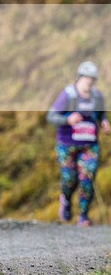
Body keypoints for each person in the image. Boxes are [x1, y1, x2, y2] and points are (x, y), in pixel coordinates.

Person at [46, 61, 109, 227]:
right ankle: (66, 200)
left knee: (87, 178)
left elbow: (102, 115)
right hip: (67, 145)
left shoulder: (97, 96)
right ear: (79, 77)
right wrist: (68, 119)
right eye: (87, 78)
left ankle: (83, 216)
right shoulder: (68, 95)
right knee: (69, 179)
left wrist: (104, 122)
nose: (89, 81)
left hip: (90, 146)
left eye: (92, 79)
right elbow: (51, 116)